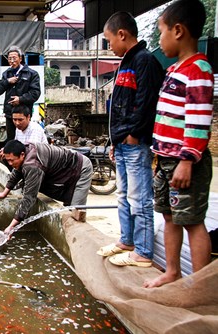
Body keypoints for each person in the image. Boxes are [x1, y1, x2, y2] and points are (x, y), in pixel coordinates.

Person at [144, 0, 214, 288]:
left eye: (160, 33)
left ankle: (201, 285)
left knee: (192, 221)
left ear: (178, 30)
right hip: (164, 159)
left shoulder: (197, 69)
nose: (159, 42)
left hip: (184, 162)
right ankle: (173, 271)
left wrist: (187, 161)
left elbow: (199, 121)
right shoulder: (175, 69)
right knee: (169, 216)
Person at [96, 11, 165, 268]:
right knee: (123, 195)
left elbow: (146, 102)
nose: (109, 45)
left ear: (122, 34)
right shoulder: (125, 62)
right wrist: (115, 141)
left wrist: (135, 135)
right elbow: (119, 107)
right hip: (123, 143)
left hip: (135, 142)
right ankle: (127, 240)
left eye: (109, 40)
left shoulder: (144, 61)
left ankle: (144, 252)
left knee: (140, 198)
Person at [0, 140, 93, 235]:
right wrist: (4, 193)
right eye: (7, 160)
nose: (10, 163)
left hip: (80, 168)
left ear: (22, 155)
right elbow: (16, 173)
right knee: (68, 208)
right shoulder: (25, 150)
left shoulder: (32, 165)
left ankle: (80, 239)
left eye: (12, 160)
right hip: (64, 171)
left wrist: (11, 226)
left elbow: (29, 198)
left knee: (75, 211)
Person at [0, 45, 41, 144]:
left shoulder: (32, 74)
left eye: (14, 58)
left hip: (23, 113)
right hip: (10, 114)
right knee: (11, 140)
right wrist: (7, 81)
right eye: (9, 58)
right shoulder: (6, 74)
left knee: (25, 140)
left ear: (20, 58)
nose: (12, 61)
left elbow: (35, 93)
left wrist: (20, 99)